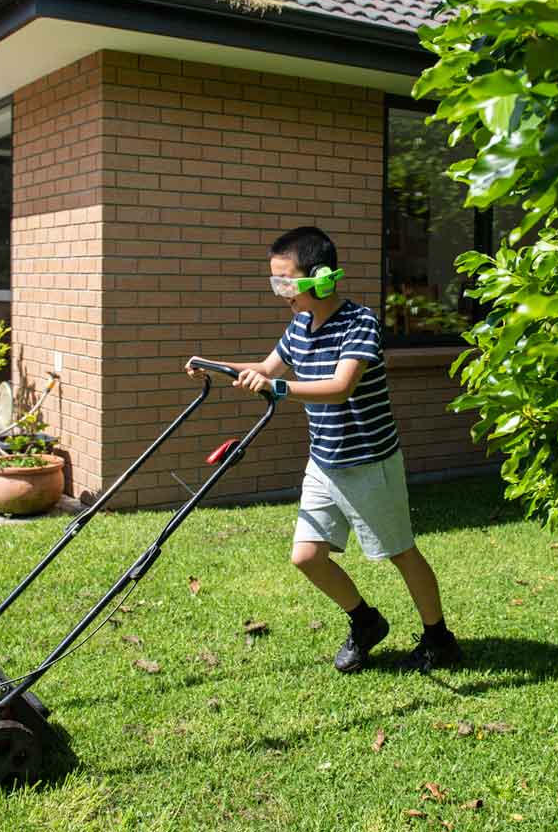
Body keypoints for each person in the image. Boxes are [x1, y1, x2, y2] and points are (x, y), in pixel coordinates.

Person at [186, 226, 461, 673]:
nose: (281, 292)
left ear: (321, 277)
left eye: (285, 281)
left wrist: (278, 387)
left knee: (400, 552)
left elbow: (339, 387)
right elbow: (265, 368)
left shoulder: (360, 322)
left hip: (370, 462)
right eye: (274, 282)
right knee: (306, 557)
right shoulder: (298, 325)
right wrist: (213, 368)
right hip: (325, 461)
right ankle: (366, 622)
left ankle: (439, 639)